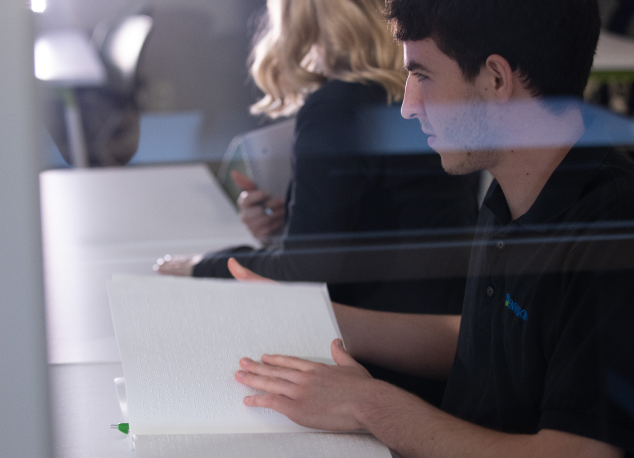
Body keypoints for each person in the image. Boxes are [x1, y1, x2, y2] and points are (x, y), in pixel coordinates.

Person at [229, 0, 634, 456]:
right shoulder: (513, 190)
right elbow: (487, 337)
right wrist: (304, 314)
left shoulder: (611, 235)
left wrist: (371, 404)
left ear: (495, 80)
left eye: (421, 75)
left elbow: (577, 453)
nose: (407, 107)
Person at [156, 0, 480, 405]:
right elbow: (389, 227)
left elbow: (302, 273)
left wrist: (201, 265)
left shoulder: (336, 107)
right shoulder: (424, 94)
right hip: (445, 354)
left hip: (374, 363)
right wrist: (290, 226)